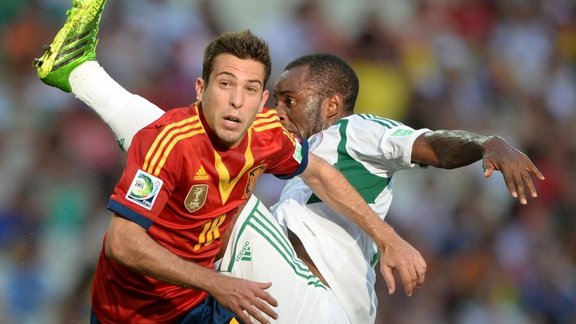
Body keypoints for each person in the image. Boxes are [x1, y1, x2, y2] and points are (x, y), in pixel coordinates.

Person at [33, 1, 426, 323]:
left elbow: (321, 173)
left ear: (262, 98)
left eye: (251, 89)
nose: (238, 100)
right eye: (226, 84)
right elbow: (122, 242)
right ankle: (81, 73)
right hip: (136, 314)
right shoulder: (167, 142)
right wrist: (216, 283)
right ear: (201, 88)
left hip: (200, 305)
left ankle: (80, 72)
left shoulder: (266, 132)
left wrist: (388, 238)